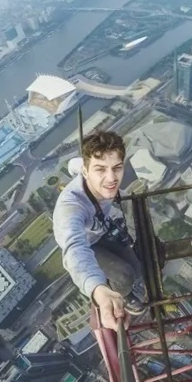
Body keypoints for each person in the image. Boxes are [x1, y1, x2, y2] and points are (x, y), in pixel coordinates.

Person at [53, 131, 145, 331]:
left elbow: (73, 165)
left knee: (137, 268)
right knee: (124, 276)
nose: (111, 178)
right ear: (86, 172)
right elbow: (75, 249)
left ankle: (123, 283)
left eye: (117, 168)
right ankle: (122, 294)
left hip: (100, 231)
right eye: (100, 169)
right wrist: (98, 291)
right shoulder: (71, 208)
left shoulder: (86, 166)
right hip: (88, 243)